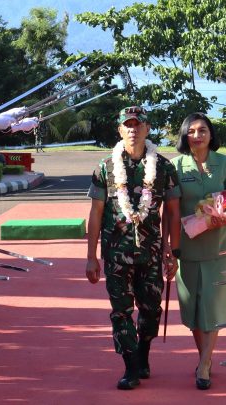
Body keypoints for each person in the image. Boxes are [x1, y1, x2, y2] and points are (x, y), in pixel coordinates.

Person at [85, 106, 181, 390]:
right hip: (116, 254)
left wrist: (172, 251)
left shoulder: (163, 167)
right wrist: (91, 257)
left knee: (151, 309)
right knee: (121, 311)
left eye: (138, 124)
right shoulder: (105, 167)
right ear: (119, 130)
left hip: (151, 253)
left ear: (147, 128)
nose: (132, 129)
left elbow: (173, 212)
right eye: (127, 125)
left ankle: (143, 353)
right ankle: (130, 367)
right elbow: (95, 213)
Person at [170, 112, 226, 390]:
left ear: (211, 135)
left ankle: (203, 364)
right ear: (184, 136)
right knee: (193, 308)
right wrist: (169, 247)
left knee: (212, 306)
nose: (197, 136)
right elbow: (170, 210)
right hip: (187, 246)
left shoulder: (224, 163)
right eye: (191, 131)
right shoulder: (176, 166)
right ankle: (205, 358)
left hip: (221, 245)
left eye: (203, 130)